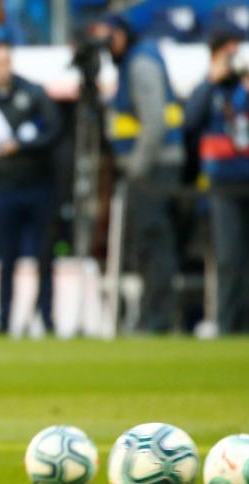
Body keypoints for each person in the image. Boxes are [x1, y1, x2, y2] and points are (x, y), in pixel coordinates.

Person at [183, 30, 249, 334]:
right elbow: (190, 122)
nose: (234, 61)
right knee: (229, 257)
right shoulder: (209, 89)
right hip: (224, 183)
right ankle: (228, 322)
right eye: (228, 55)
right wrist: (210, 81)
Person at [91, 14, 182, 333]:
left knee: (153, 243)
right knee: (147, 244)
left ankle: (156, 320)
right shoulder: (132, 62)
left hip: (153, 169)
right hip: (150, 168)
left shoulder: (141, 63)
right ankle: (152, 317)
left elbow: (154, 124)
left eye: (108, 37)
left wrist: (135, 170)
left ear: (121, 34)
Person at [0, 41, 59, 336]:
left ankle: (47, 320)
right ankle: (4, 321)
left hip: (38, 188)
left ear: (11, 62)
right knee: (6, 258)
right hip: (4, 191)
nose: (1, 68)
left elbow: (55, 131)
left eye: (4, 61)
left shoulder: (33, 93)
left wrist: (21, 145)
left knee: (44, 257)